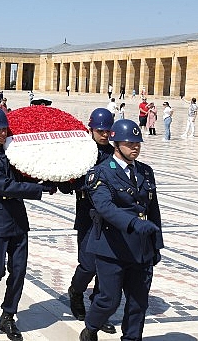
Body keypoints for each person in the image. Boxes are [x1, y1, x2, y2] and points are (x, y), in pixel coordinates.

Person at [0, 107, 57, 341]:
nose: (2, 133)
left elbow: (25, 174)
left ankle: (8, 315)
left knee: (19, 271)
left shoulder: (13, 150)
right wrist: (39, 190)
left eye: (4, 129)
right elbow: (6, 187)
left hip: (18, 219)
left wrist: (50, 175)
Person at [79, 119, 164, 341]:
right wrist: (133, 223)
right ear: (116, 144)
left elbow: (153, 210)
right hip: (113, 248)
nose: (135, 147)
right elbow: (105, 207)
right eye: (129, 143)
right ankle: (91, 327)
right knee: (109, 299)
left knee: (138, 303)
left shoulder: (146, 172)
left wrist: (156, 244)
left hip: (141, 249)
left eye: (137, 143)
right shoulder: (100, 173)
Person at [63, 108, 116, 335]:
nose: (104, 134)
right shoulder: (82, 151)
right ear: (91, 129)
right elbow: (66, 185)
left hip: (110, 218)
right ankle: (76, 291)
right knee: (88, 264)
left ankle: (98, 310)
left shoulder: (115, 154)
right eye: (100, 130)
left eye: (107, 130)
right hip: (88, 214)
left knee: (106, 266)